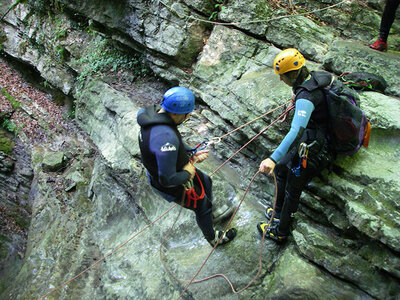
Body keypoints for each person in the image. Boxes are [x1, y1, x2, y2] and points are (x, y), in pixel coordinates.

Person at [137, 87, 237, 247]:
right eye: (186, 114)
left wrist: (192, 152)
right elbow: (167, 179)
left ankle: (209, 213)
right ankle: (213, 238)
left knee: (206, 181)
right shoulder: (165, 138)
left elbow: (172, 141)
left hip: (175, 167)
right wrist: (187, 172)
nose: (189, 116)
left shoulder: (151, 116)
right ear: (174, 113)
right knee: (201, 205)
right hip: (171, 180)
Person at [257, 49, 333, 242]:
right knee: (282, 169)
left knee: (293, 185)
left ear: (292, 74)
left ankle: (281, 231)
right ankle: (278, 211)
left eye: (282, 76)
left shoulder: (306, 97)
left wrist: (272, 158)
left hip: (317, 146)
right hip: (313, 135)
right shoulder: (312, 79)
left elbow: (296, 131)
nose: (281, 80)